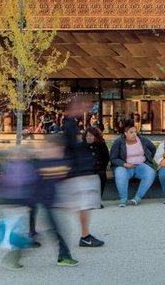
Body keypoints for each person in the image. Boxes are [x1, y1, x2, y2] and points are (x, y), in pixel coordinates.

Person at [61, 97, 104, 248]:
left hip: (77, 171)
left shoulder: (71, 123)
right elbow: (68, 148)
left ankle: (85, 235)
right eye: (83, 106)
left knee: (83, 205)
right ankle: (84, 237)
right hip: (77, 172)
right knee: (81, 204)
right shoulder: (69, 124)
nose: (85, 109)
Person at [33, 136, 79, 267]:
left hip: (53, 203)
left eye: (55, 148)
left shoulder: (63, 163)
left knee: (59, 229)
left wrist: (68, 199)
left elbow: (65, 180)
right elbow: (35, 184)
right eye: (49, 148)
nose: (52, 150)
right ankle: (64, 256)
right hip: (44, 202)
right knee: (56, 230)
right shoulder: (42, 164)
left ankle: (64, 255)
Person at [109, 120, 156, 206]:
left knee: (150, 173)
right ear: (125, 133)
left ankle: (137, 198)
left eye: (135, 132)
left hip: (141, 165)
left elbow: (153, 148)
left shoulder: (142, 139)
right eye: (131, 132)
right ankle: (123, 199)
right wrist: (124, 164)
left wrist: (147, 160)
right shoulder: (118, 142)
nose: (134, 134)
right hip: (125, 166)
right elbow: (113, 158)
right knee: (120, 173)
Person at [85, 126, 110, 206]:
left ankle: (97, 200)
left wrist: (101, 167)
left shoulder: (101, 145)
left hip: (98, 168)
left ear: (96, 137)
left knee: (102, 175)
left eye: (91, 136)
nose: (88, 137)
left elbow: (106, 158)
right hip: (85, 169)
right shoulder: (82, 145)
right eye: (87, 135)